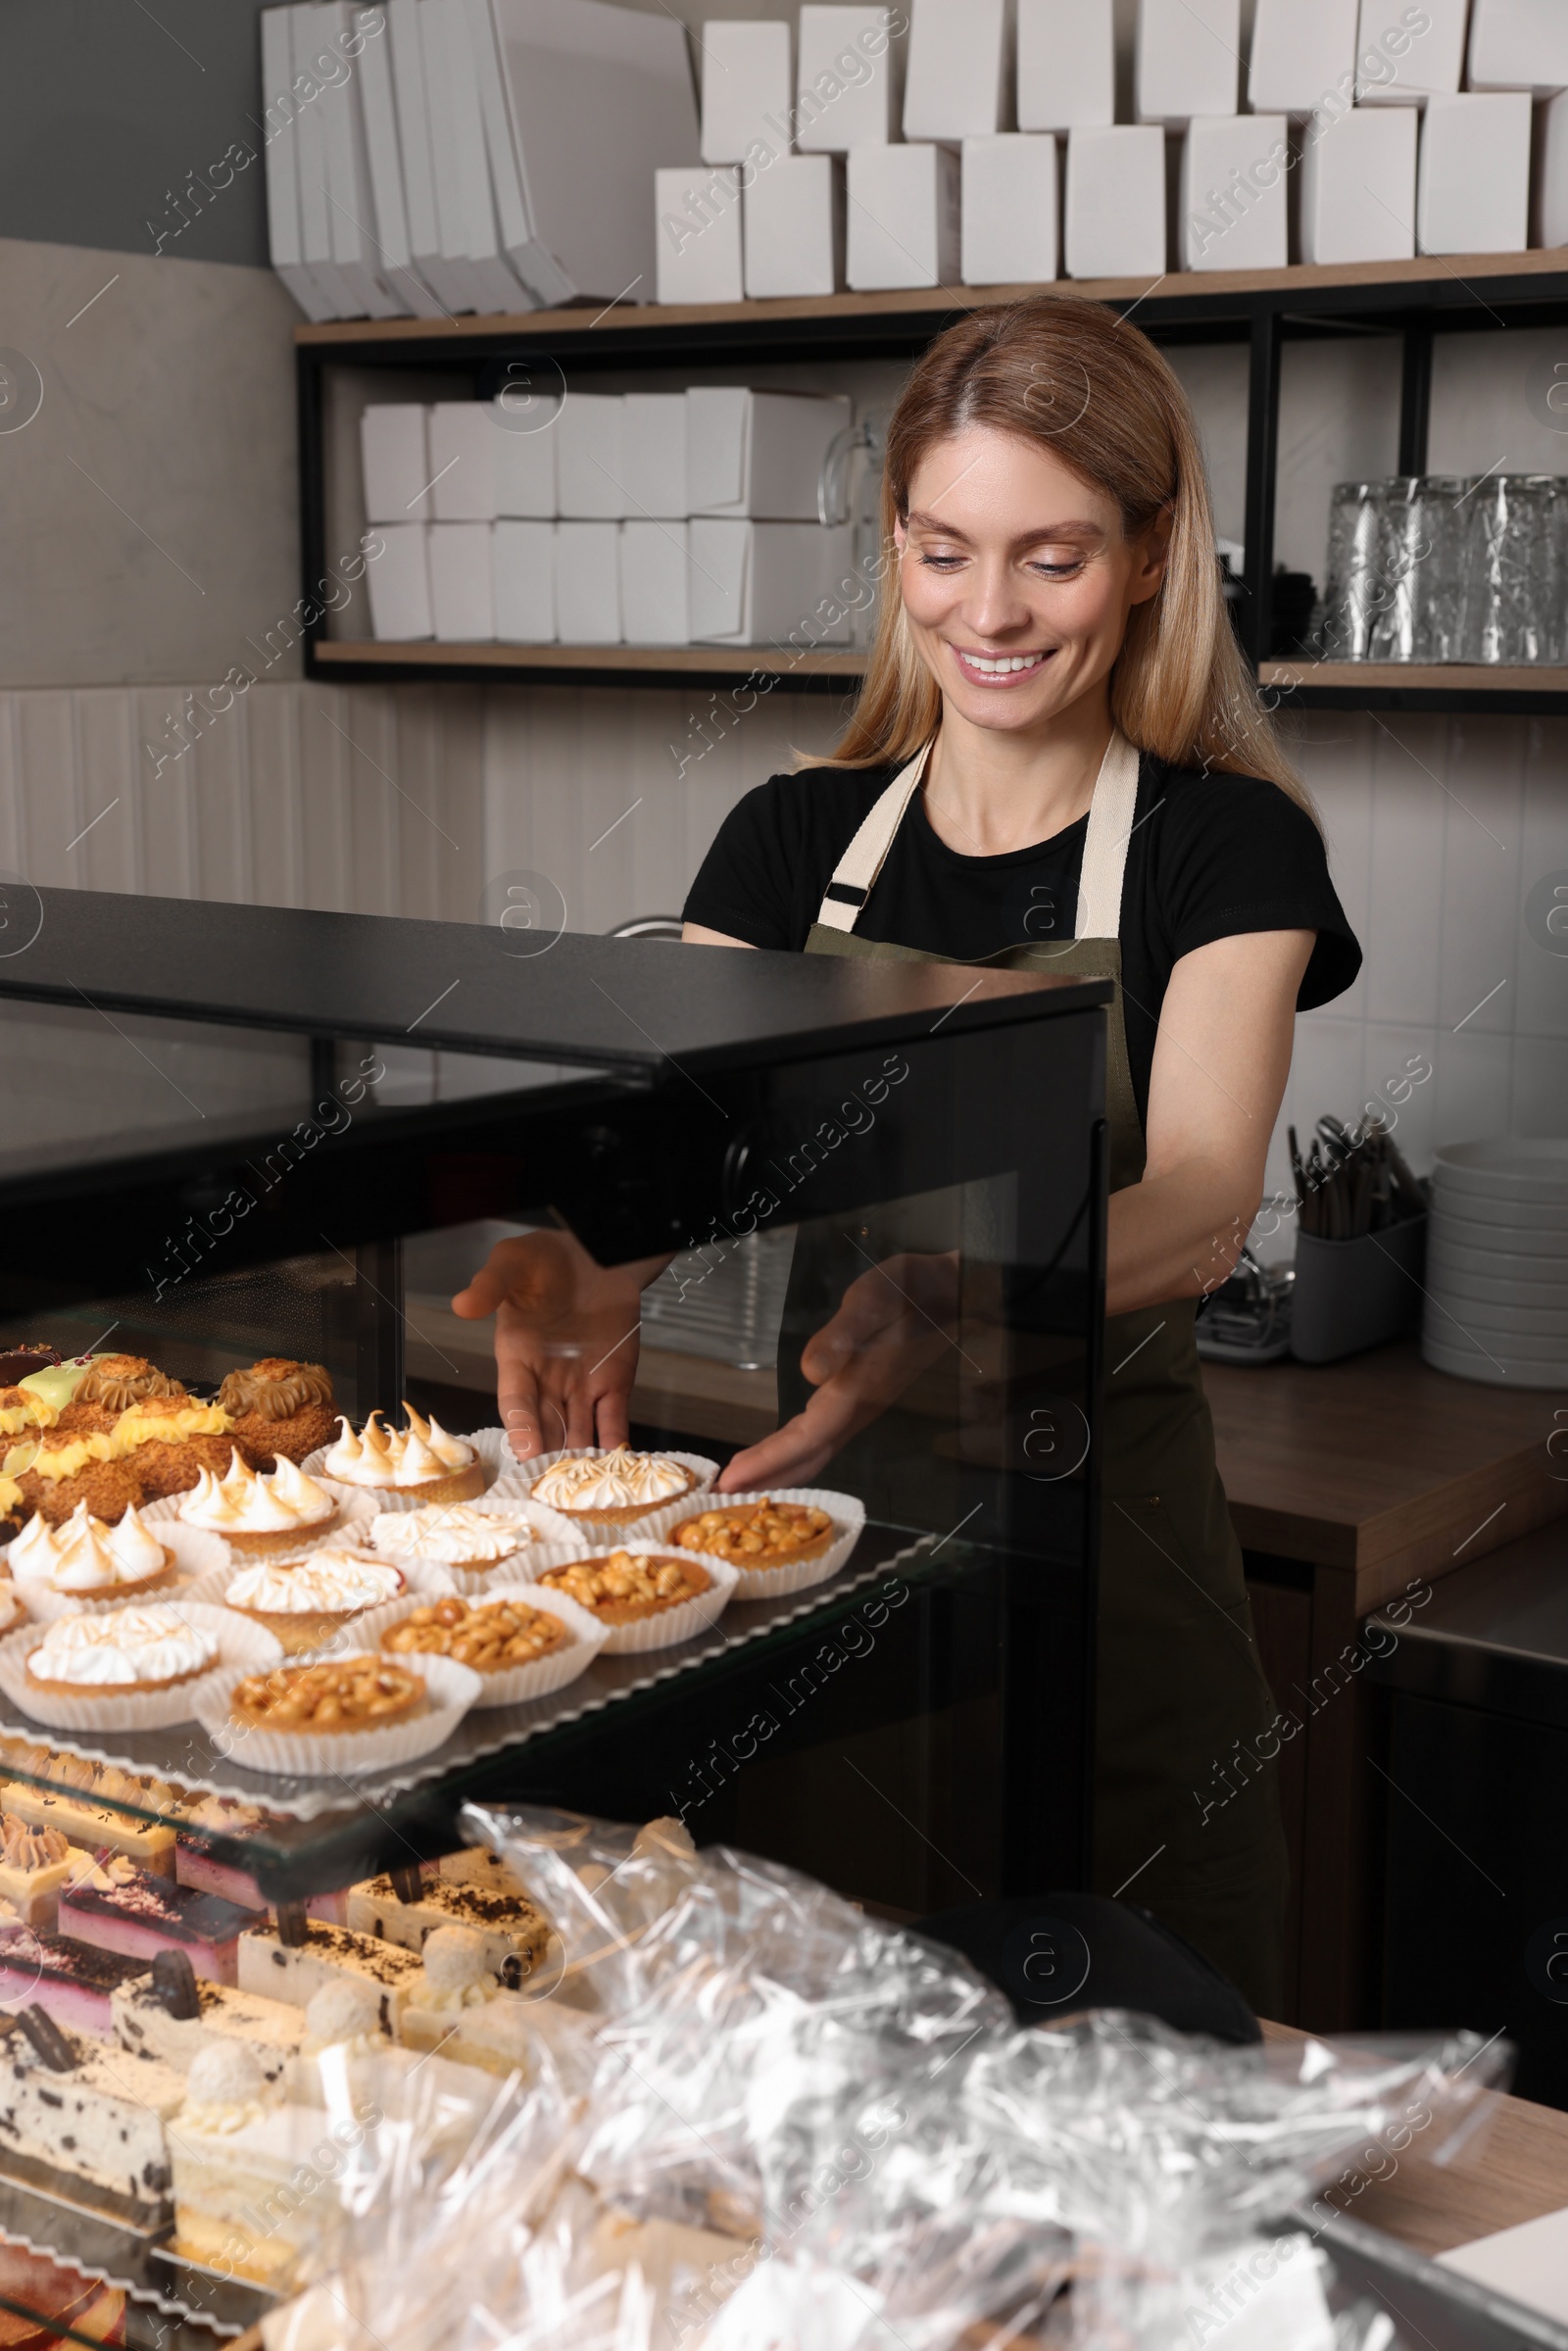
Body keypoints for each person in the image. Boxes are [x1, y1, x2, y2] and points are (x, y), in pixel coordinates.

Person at [455, 295, 1360, 2012]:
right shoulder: (794, 839)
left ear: (1158, 554)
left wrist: (958, 1285)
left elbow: (1197, 1204)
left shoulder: (1220, 850)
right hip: (838, 1569)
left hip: (1115, 1572)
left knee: (1152, 2079)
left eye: (1055, 557)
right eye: (945, 551)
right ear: (895, 546)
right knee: (846, 2062)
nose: (990, 612)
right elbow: (675, 1142)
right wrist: (592, 1257)